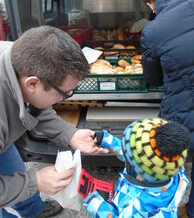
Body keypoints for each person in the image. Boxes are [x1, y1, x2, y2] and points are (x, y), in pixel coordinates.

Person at [0, 26, 108, 218]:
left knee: (16, 172)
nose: (64, 99)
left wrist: (69, 133)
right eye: (63, 94)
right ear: (32, 83)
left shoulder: (19, 56)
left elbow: (33, 105)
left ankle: (34, 210)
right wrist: (35, 181)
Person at [139, 0, 194, 217]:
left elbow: (154, 79)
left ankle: (164, 207)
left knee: (170, 162)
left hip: (186, 110)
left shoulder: (154, 31)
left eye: (149, 5)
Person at [84, 118, 190, 217]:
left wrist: (95, 205)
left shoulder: (137, 209)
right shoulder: (170, 167)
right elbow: (134, 154)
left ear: (140, 168)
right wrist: (106, 139)